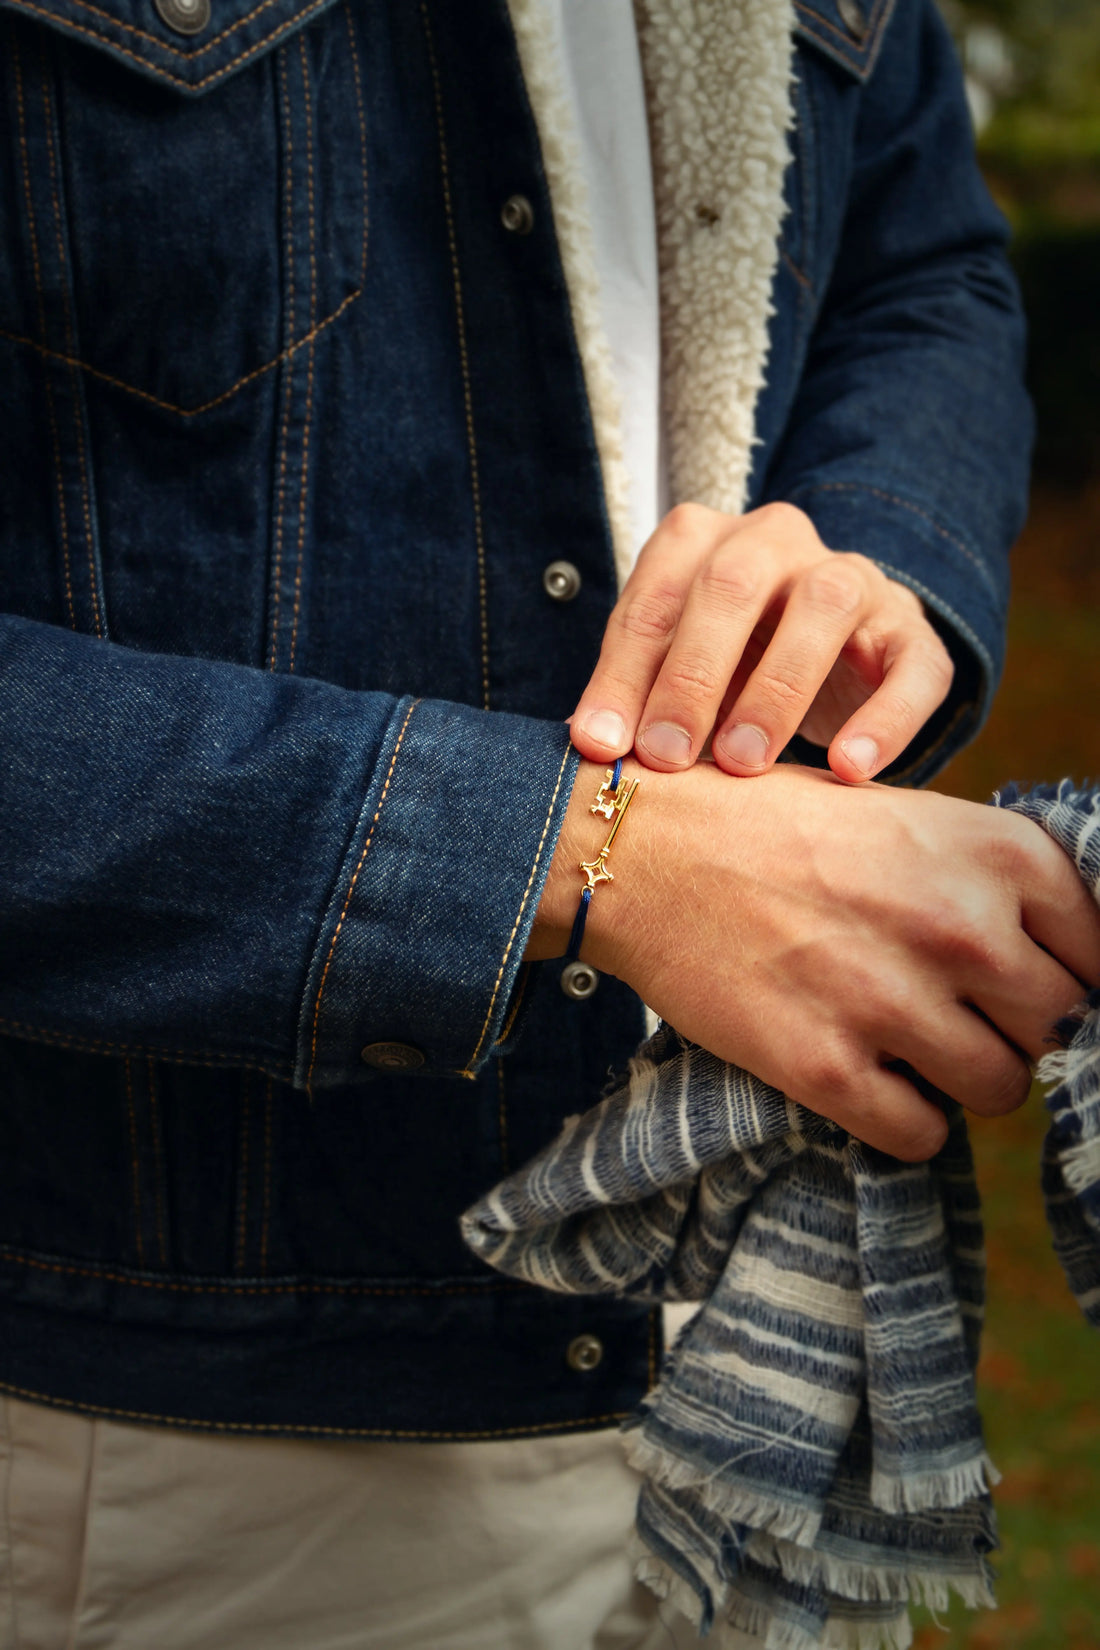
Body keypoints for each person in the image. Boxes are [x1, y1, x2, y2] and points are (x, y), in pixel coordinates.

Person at [1, 0, 1097, 1645]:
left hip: (744, 1387)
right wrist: (569, 854)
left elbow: (921, 259)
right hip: (181, 1456)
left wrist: (872, 554)